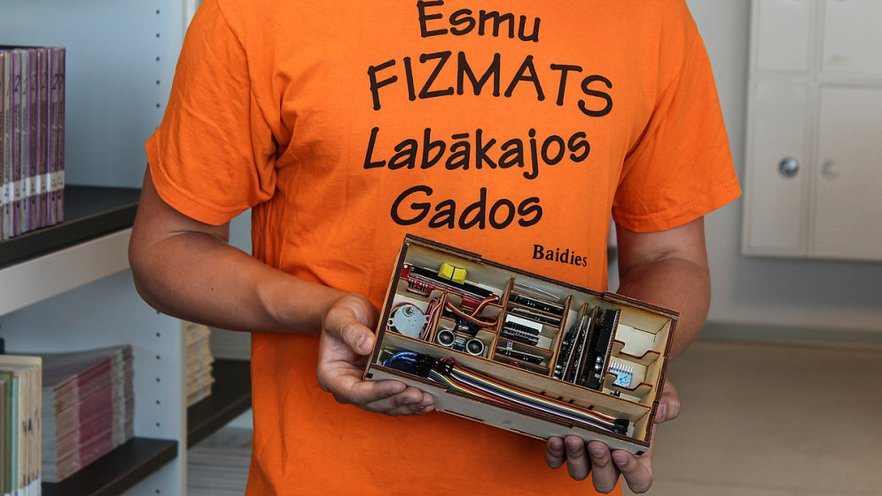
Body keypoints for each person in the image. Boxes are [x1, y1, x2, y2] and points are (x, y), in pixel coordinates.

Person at [129, 0, 741, 494]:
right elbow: (168, 247)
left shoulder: (649, 15)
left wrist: (623, 372)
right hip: (326, 476)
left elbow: (670, 258)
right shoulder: (255, 13)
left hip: (549, 473)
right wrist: (324, 311)